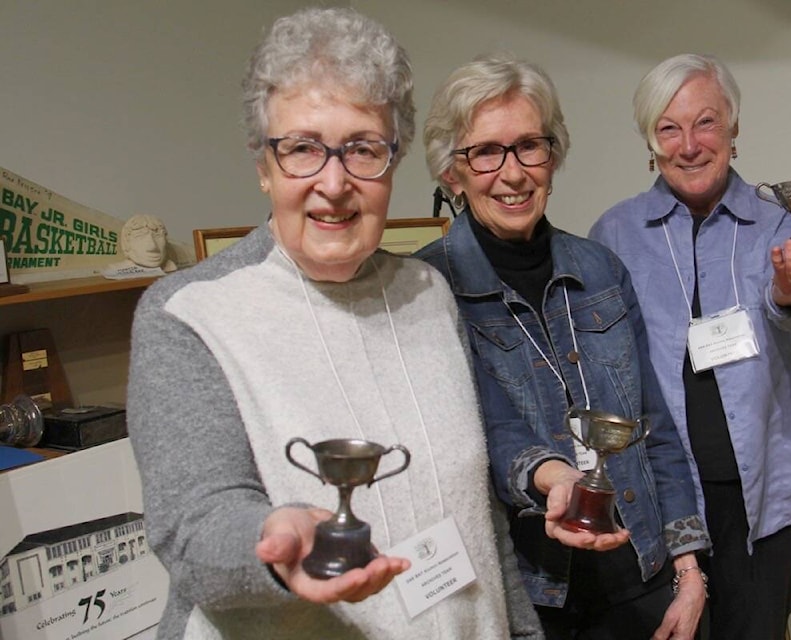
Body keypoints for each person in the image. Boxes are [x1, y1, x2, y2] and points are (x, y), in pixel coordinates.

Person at [126, 9, 542, 640]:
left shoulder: (429, 294)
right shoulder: (189, 313)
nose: (334, 181)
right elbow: (193, 530)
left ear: (393, 162)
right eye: (301, 148)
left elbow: (478, 512)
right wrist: (273, 541)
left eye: (362, 148)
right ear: (263, 166)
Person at [415, 53, 711, 640]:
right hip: (534, 597)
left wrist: (689, 568)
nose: (513, 172)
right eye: (486, 151)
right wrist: (551, 477)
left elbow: (654, 424)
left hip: (644, 571)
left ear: (553, 155)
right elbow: (481, 432)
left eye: (530, 145)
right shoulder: (426, 289)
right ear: (453, 172)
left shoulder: (599, 268)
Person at [589, 53, 791, 640]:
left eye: (705, 123)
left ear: (733, 130)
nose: (689, 145)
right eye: (668, 128)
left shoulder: (777, 222)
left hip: (764, 491)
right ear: (650, 142)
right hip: (664, 497)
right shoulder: (614, 234)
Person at [102, 214, 177, 278]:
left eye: (158, 236)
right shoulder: (114, 269)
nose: (152, 247)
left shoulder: (171, 266)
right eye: (140, 236)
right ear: (126, 242)